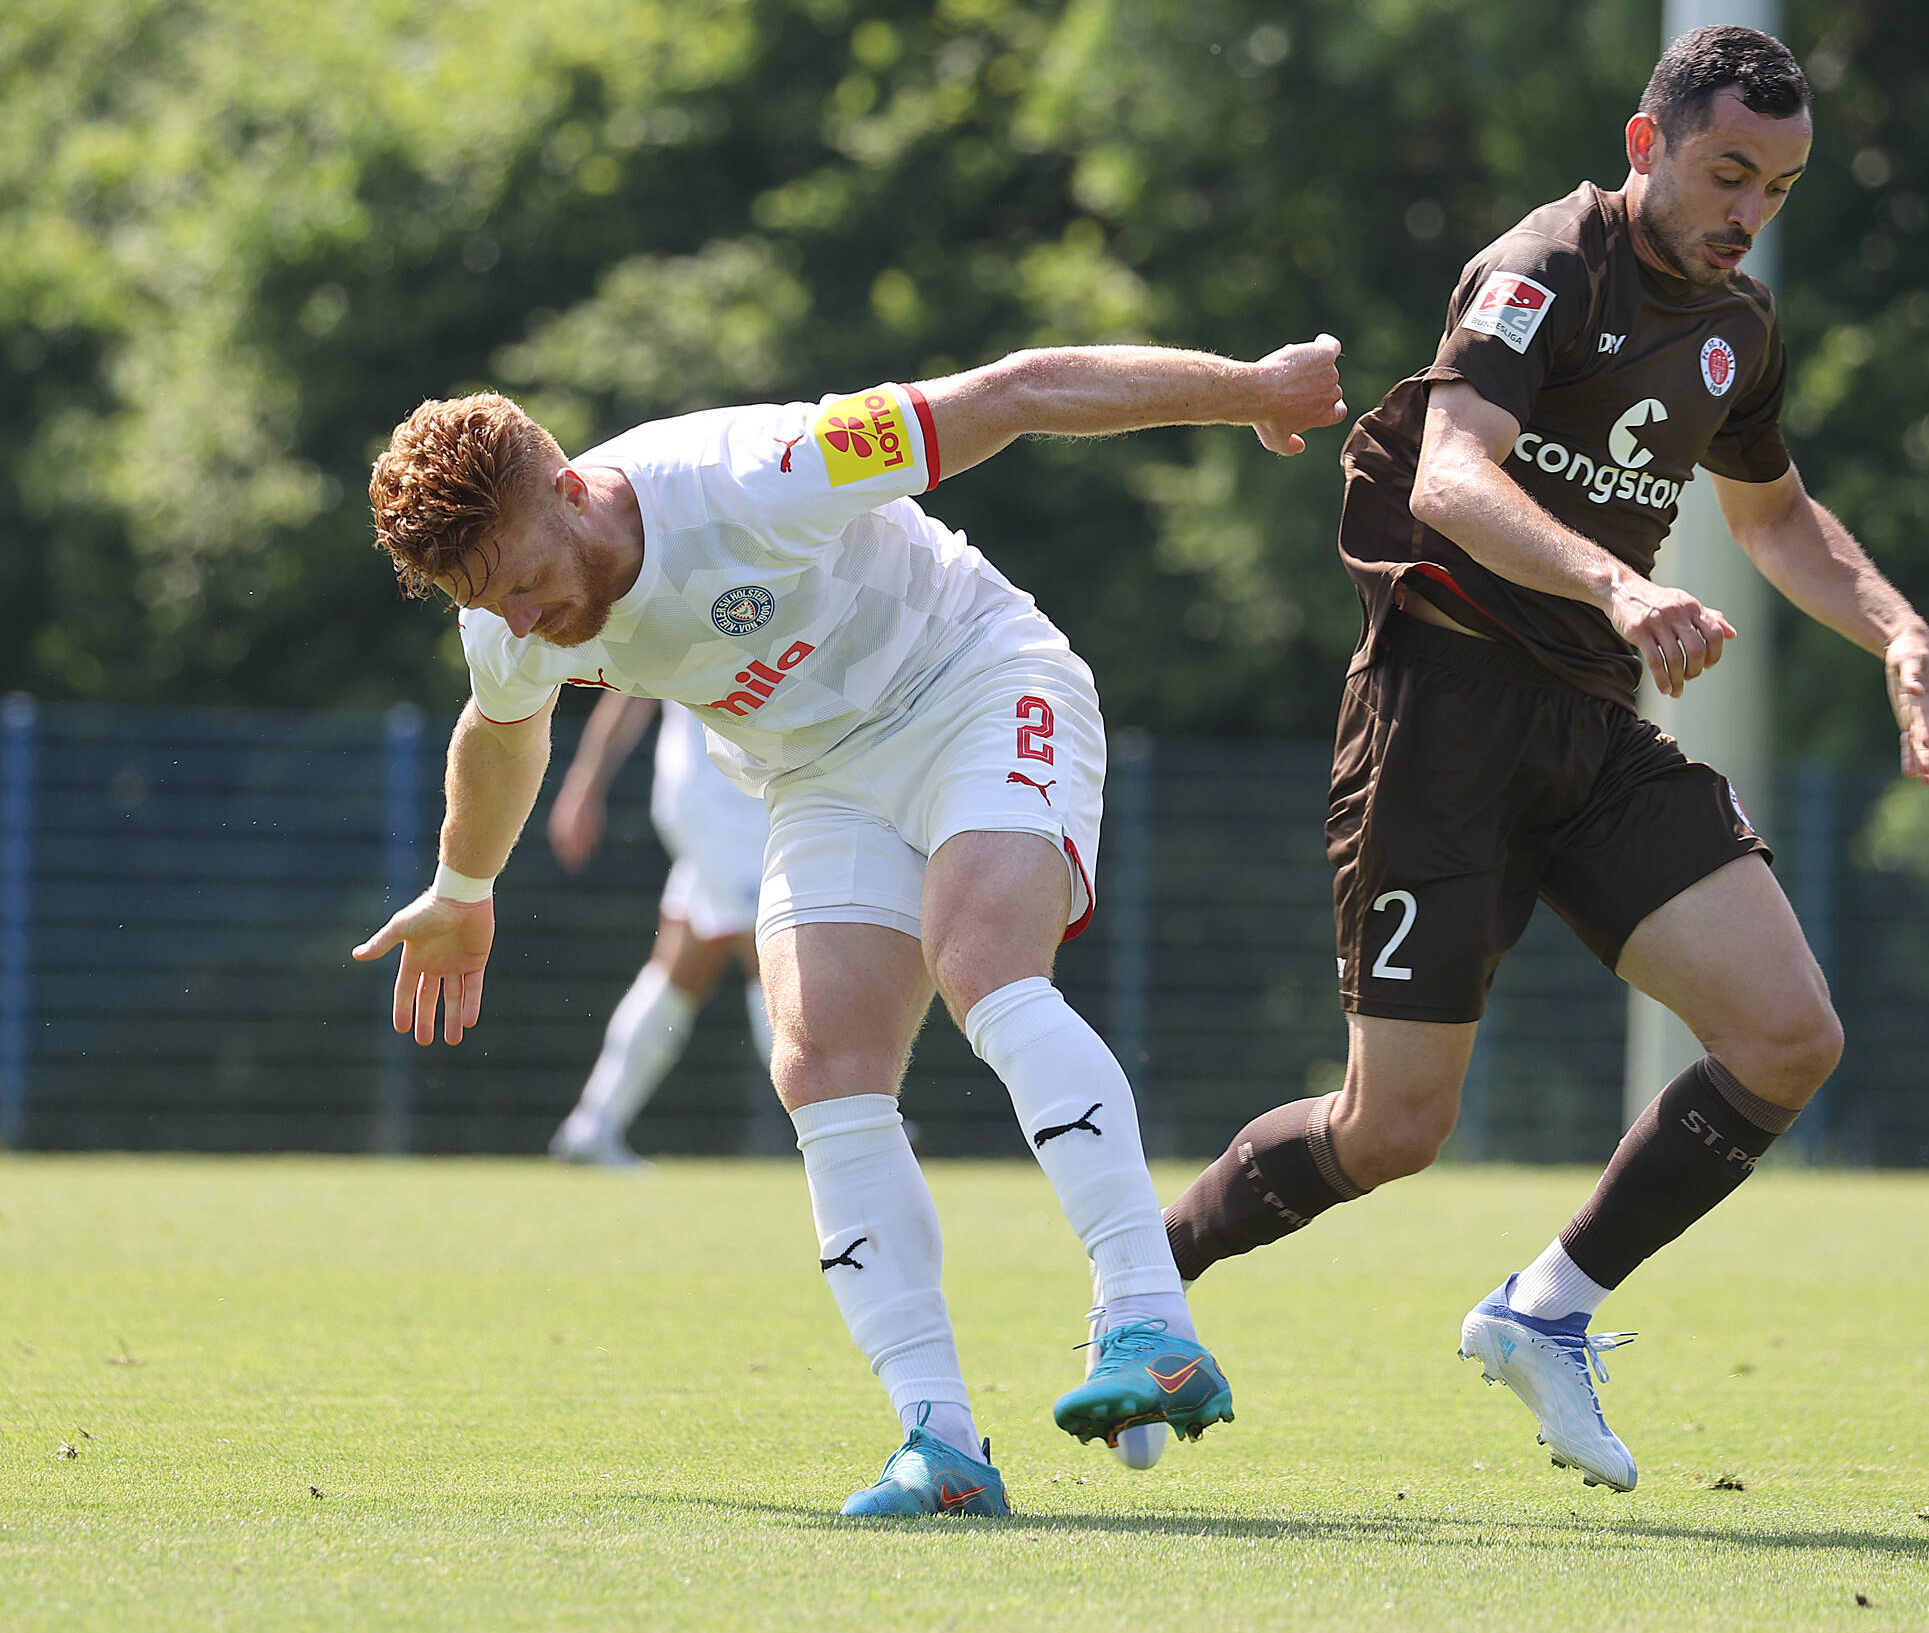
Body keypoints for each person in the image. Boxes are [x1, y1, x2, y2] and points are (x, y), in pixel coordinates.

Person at [351, 335, 1345, 1517]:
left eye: (520, 580)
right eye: (483, 602)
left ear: (569, 488)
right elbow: (502, 728)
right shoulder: (506, 623)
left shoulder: (757, 471)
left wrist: (1254, 391)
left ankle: (1145, 1315)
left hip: (979, 682)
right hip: (817, 773)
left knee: (981, 965)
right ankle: (944, 1448)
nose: (517, 618)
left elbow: (1011, 395)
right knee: (818, 1066)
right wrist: (463, 892)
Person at [1160, 25, 1929, 1493]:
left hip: (1586, 727)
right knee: (1391, 1131)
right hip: (1440, 714)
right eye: (1726, 174)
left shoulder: (1741, 329)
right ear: (1647, 146)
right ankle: (1145, 1293)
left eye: (1775, 188)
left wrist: (1890, 623)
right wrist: (1624, 588)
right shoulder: (1548, 265)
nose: (1746, 211)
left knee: (1788, 1035)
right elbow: (1451, 476)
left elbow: (1770, 517)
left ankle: (1546, 1312)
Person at [544, 693, 775, 1169]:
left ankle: (592, 1126)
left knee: (679, 972)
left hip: (734, 806)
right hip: (721, 809)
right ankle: (840, 1124)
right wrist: (584, 784)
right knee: (780, 958)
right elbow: (629, 689)